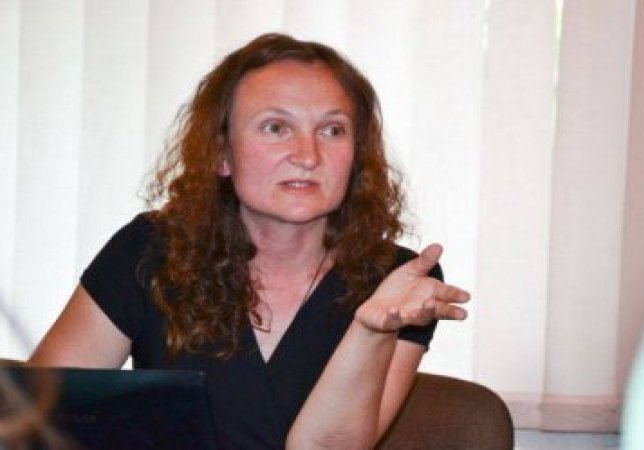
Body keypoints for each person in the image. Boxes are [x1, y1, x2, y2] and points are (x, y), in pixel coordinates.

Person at [28, 33, 470, 449]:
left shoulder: (399, 282)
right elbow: (39, 422)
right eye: (275, 127)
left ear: (355, 158)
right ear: (222, 153)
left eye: (332, 130)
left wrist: (371, 331)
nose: (308, 155)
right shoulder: (150, 250)